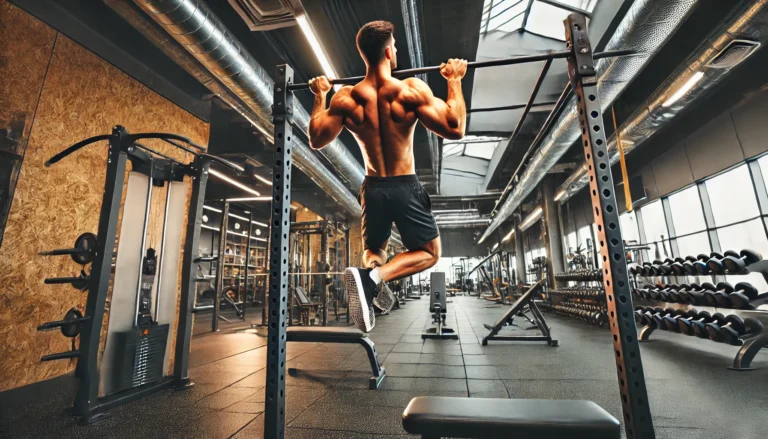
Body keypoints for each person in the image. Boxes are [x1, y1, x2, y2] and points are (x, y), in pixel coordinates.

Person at [307, 20, 467, 332]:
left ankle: (369, 283)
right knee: (430, 253)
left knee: (375, 249)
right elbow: (455, 126)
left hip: (373, 188)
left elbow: (316, 138)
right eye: (394, 45)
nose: (396, 49)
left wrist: (320, 96)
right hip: (405, 185)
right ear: (388, 53)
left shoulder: (346, 98)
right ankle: (373, 278)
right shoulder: (409, 90)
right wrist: (455, 81)